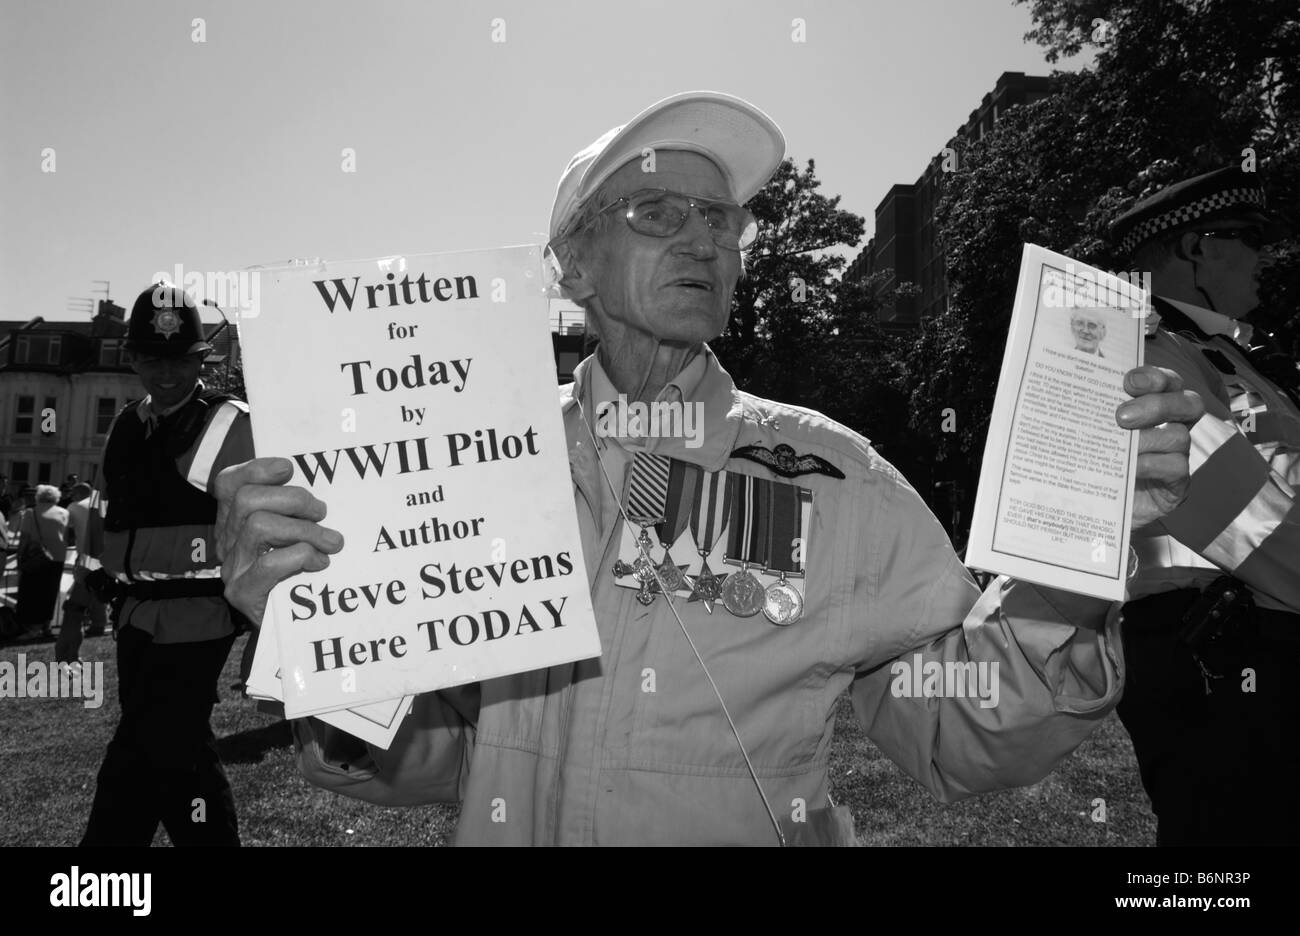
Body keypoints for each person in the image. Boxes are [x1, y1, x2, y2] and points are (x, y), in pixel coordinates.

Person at [216, 91, 1203, 845]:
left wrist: (1072, 569)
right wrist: (322, 632)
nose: (704, 237)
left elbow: (952, 733)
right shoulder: (465, 472)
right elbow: (431, 762)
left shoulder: (837, 475)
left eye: (719, 217)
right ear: (569, 265)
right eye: (655, 211)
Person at [1108, 165, 1298, 845]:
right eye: (1248, 237)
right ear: (1196, 248)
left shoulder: (1225, 358)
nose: (1263, 256)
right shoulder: (1148, 355)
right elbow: (1252, 524)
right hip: (1222, 660)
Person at [80, 282, 254, 847]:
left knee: (152, 744)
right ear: (132, 358)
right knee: (171, 751)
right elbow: (103, 515)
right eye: (153, 359)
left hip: (203, 617)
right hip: (133, 617)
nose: (168, 374)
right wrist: (82, 599)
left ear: (201, 359)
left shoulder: (235, 424)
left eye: (181, 360)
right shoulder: (126, 425)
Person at [54, 482, 108, 664]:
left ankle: (69, 654)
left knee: (75, 608)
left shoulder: (74, 506)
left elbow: (65, 527)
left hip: (86, 556)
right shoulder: (105, 504)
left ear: (77, 494)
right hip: (108, 555)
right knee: (99, 596)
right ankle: (100, 623)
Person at [15, 484, 69, 639]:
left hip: (36, 557)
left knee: (31, 593)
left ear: (38, 497)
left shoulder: (31, 513)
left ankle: (32, 628)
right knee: (50, 593)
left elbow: (24, 538)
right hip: (58, 557)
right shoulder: (64, 512)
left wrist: (20, 556)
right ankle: (46, 625)